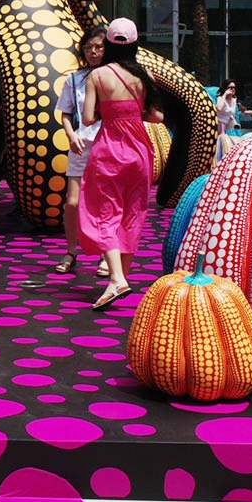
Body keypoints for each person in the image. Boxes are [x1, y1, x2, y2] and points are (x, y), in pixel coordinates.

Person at [77, 17, 164, 309]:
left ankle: (116, 279)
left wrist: (109, 112)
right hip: (140, 152)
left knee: (104, 211)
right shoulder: (145, 76)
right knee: (132, 213)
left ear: (109, 45)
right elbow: (157, 117)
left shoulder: (98, 76)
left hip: (109, 151)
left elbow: (88, 118)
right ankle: (121, 277)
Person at [52, 27, 106, 276]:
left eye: (98, 46)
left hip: (108, 146)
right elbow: (64, 112)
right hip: (81, 145)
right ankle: (71, 250)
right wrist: (71, 134)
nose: (93, 51)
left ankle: (107, 255)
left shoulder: (115, 77)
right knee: (72, 202)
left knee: (105, 203)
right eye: (88, 47)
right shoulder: (74, 79)